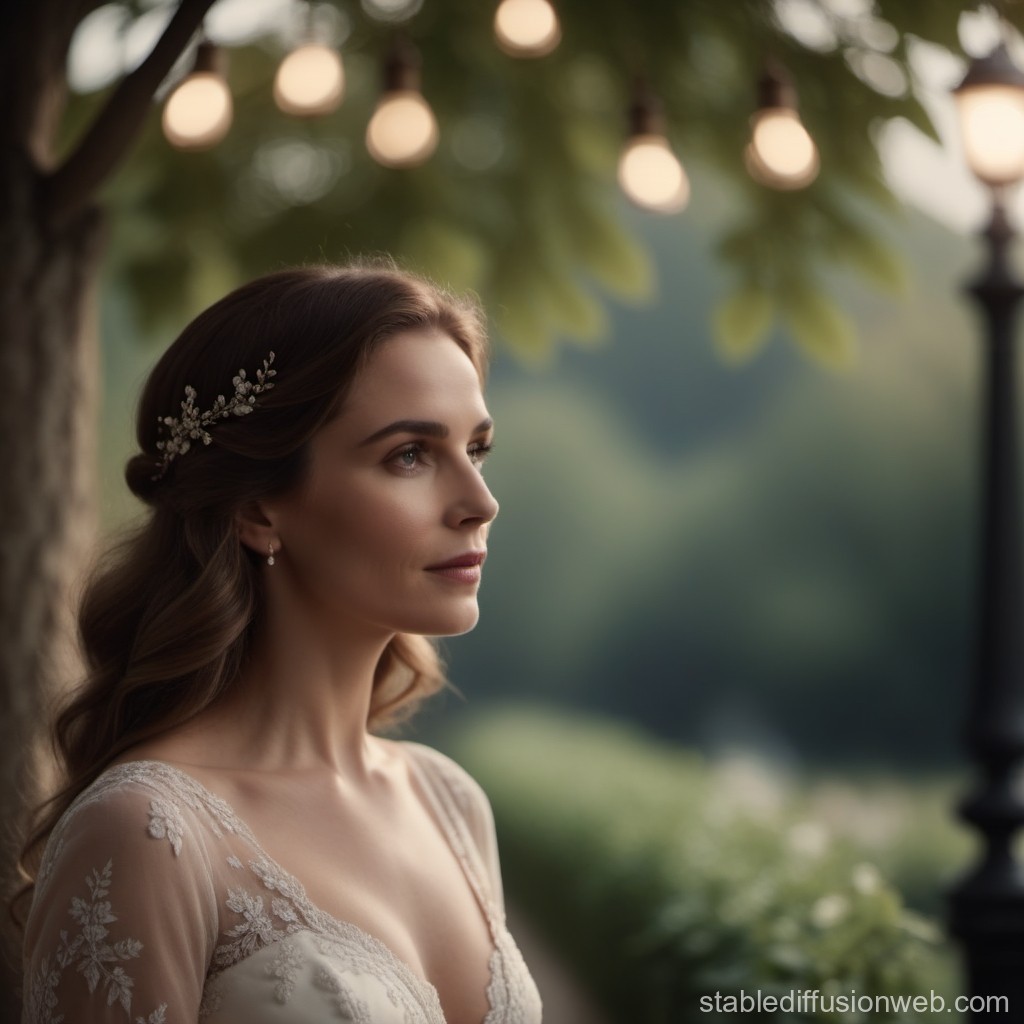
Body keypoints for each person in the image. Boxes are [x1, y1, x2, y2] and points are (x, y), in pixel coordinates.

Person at [16, 262, 543, 1023]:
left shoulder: (450, 802)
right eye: (410, 456)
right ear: (259, 509)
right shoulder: (146, 833)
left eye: (477, 449)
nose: (479, 501)